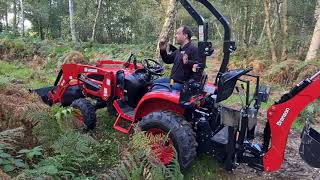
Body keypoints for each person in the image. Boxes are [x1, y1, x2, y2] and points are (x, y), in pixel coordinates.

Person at [153, 26, 204, 91]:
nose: (175, 36)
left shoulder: (193, 49)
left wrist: (188, 62)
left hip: (182, 85)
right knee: (152, 83)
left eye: (178, 33)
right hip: (172, 80)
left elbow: (199, 66)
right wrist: (163, 50)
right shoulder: (179, 50)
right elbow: (167, 60)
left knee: (155, 88)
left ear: (185, 35)